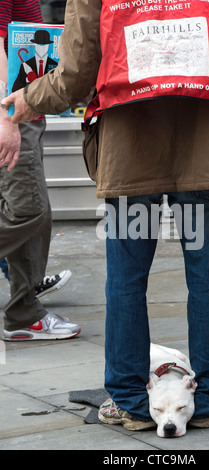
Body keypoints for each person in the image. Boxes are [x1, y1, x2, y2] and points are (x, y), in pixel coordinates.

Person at [1, 0, 209, 430]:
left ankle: (126, 401)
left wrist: (27, 99)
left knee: (126, 279)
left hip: (128, 154)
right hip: (205, 151)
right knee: (207, 276)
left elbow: (77, 71)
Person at [0, 0, 80, 341]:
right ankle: (23, 314)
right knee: (29, 210)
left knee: (31, 211)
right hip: (10, 104)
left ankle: (24, 313)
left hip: (24, 98)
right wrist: (7, 116)